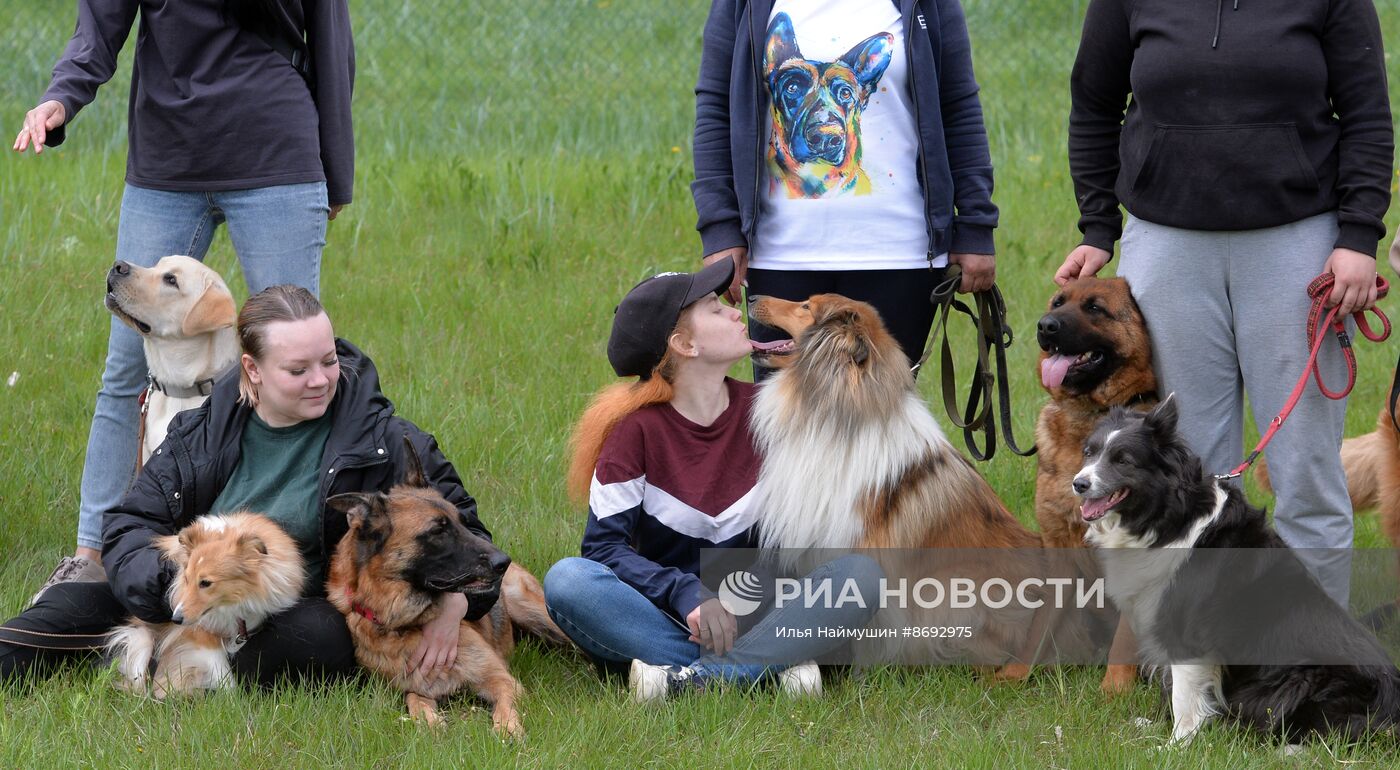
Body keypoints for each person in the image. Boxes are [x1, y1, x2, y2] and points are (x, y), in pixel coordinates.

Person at [1055, 0, 1393, 605]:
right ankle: (1198, 672)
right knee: (1187, 475)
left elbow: (1367, 114)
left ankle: (1318, 664)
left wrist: (1358, 236)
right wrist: (1097, 226)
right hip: (1167, 246)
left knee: (1306, 473)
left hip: (1300, 248)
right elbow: (1094, 106)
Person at [14, 0, 355, 599]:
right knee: (125, 369)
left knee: (299, 368)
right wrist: (61, 96)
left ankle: (302, 552)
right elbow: (101, 23)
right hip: (167, 159)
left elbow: (329, 37)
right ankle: (92, 556)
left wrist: (335, 168)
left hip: (274, 151)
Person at [1, 286, 494, 685]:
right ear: (252, 370)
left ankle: (175, 666)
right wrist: (177, 586)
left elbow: (472, 541)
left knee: (321, 640)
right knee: (70, 606)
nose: (321, 379)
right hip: (191, 589)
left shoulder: (387, 438)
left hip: (289, 611)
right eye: (298, 370)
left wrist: (456, 603)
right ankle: (151, 655)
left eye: (328, 360)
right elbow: (129, 525)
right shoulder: (203, 430)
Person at [542, 261, 881, 701]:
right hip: (675, 619)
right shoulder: (632, 433)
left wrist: (748, 605)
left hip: (769, 609)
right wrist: (688, 594)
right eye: (714, 308)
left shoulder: (773, 410)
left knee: (862, 574)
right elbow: (604, 550)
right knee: (568, 581)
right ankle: (765, 670)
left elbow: (809, 532)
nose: (735, 311)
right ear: (684, 344)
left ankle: (691, 682)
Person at [691, 0, 998, 369]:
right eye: (794, 89)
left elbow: (958, 107)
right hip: (779, 254)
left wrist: (976, 225)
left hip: (898, 254)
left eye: (843, 93)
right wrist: (720, 228)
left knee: (880, 420)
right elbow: (715, 106)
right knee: (787, 423)